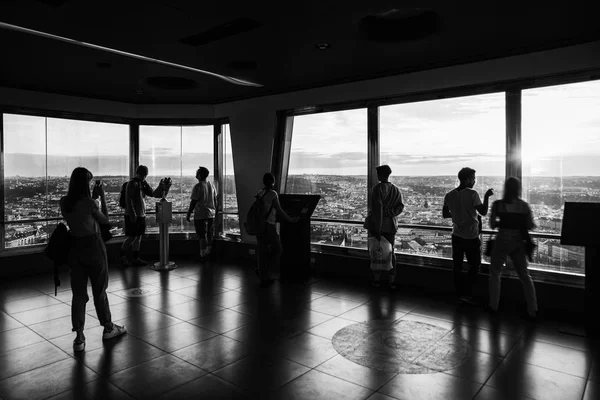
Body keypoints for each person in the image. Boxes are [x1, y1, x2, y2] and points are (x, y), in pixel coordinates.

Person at [60, 167, 126, 352]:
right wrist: (101, 197)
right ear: (85, 184)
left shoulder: (64, 202)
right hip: (94, 247)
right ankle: (108, 327)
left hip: (75, 248)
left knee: (78, 294)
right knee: (100, 290)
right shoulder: (89, 203)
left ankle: (79, 337)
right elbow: (105, 221)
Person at [488, 177, 538, 319]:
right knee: (524, 275)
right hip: (518, 242)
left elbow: (492, 224)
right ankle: (532, 309)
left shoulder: (498, 205)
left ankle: (493, 306)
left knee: (495, 273)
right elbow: (529, 225)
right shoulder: (524, 206)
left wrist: (502, 223)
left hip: (501, 240)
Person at [443, 167, 494, 304]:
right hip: (471, 236)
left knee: (457, 266)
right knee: (474, 265)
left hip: (457, 234)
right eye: (472, 178)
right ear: (466, 180)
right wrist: (486, 197)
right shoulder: (472, 194)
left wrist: (458, 214)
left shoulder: (449, 195)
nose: (474, 181)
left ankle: (458, 293)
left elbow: (445, 214)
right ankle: (468, 292)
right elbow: (483, 212)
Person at [120, 165, 170, 267]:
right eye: (143, 175)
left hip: (139, 214)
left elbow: (154, 194)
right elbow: (128, 200)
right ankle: (123, 257)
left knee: (137, 237)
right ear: (139, 174)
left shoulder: (141, 183)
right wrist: (133, 214)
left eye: (145, 175)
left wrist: (161, 186)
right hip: (134, 215)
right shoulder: (132, 183)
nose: (144, 177)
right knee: (132, 237)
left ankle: (133, 258)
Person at [255, 173, 299, 287]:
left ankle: (262, 272)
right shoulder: (273, 194)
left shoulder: (259, 193)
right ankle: (265, 272)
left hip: (259, 225)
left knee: (261, 250)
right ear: (273, 182)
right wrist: (290, 219)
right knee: (277, 249)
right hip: (269, 225)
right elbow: (279, 210)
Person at [367, 165, 405, 289]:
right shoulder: (396, 189)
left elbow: (378, 211)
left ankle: (377, 280)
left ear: (381, 175)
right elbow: (400, 207)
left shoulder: (377, 189)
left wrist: (377, 228)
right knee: (390, 253)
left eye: (378, 174)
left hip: (378, 226)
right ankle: (392, 280)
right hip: (391, 226)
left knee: (376, 252)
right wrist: (390, 213)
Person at [186, 166, 219, 261]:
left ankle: (202, 254)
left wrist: (189, 213)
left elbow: (193, 202)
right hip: (211, 214)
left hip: (201, 214)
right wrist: (215, 211)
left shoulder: (198, 187)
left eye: (197, 173)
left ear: (200, 175)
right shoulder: (211, 185)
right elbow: (215, 199)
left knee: (201, 235)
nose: (196, 174)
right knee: (209, 233)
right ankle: (209, 252)